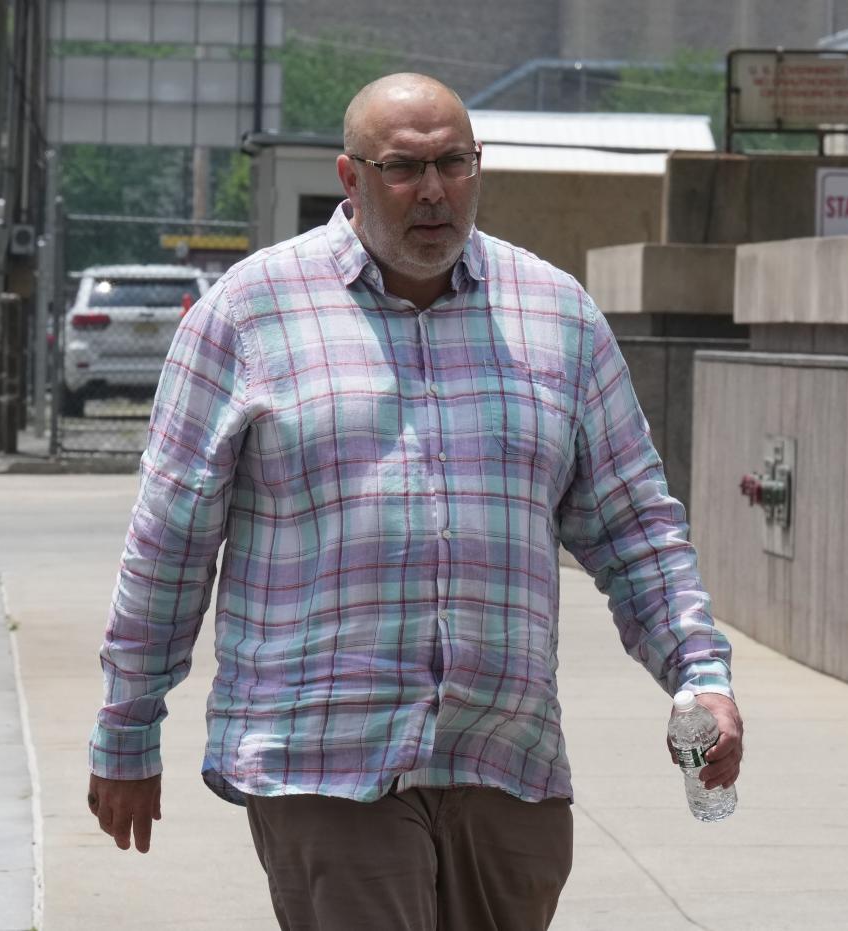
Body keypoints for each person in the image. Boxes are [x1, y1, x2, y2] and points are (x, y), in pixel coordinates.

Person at [87, 73, 743, 930]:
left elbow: (635, 525)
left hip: (506, 756)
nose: (433, 191)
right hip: (325, 756)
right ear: (350, 178)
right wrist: (128, 726)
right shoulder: (246, 315)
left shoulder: (558, 316)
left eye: (453, 164)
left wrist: (700, 673)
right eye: (403, 168)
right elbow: (170, 539)